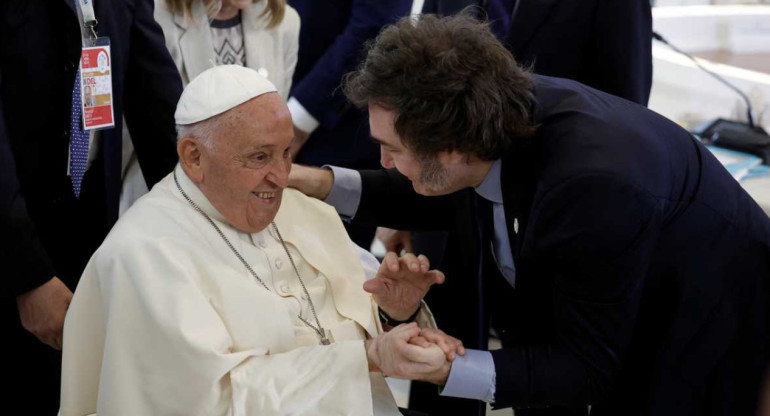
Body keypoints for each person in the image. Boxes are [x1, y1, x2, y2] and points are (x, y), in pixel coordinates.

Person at [289, 14, 770, 415]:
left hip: (705, 317)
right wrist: (308, 181)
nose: (385, 163)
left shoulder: (590, 187)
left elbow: (586, 368)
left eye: (392, 149)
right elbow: (430, 185)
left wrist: (446, 367)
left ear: (452, 145)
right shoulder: (487, 118)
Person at [60, 65, 463, 416]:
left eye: (286, 153)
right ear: (194, 157)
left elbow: (359, 326)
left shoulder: (302, 211)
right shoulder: (142, 255)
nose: (282, 176)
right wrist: (366, 359)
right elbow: (212, 401)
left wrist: (395, 314)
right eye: (259, 157)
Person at [0, 0, 182, 413]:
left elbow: (160, 106)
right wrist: (27, 276)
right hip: (14, 239)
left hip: (91, 226)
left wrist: (204, 215)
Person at [120, 0, 300, 210]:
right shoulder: (155, 15)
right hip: (166, 194)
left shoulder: (285, 22)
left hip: (250, 202)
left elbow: (272, 134)